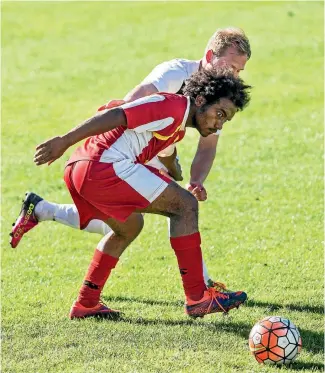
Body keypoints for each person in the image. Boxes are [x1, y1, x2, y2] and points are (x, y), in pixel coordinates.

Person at [10, 27, 251, 290]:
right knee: (181, 207)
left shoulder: (219, 100)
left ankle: (43, 211)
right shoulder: (177, 75)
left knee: (129, 224)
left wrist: (195, 178)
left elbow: (201, 143)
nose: (234, 75)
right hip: (123, 151)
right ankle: (201, 290)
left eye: (239, 71)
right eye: (230, 66)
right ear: (209, 56)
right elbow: (139, 104)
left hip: (148, 147)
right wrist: (73, 137)